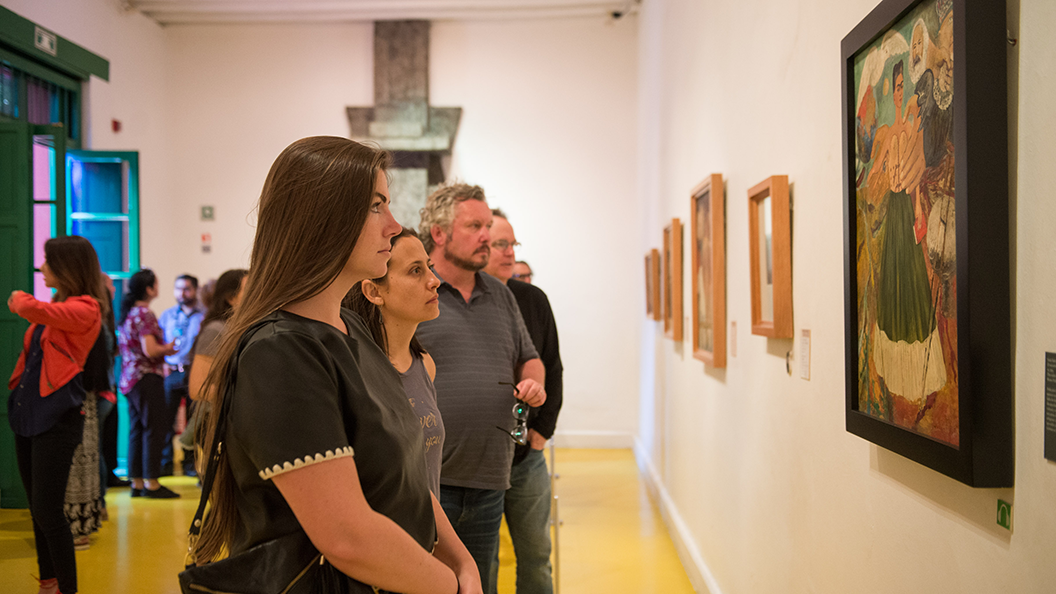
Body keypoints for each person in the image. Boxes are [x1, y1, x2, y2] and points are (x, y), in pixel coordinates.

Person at [190, 136, 481, 594]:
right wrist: (449, 585)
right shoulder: (280, 352)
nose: (394, 225)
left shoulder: (352, 329)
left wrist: (462, 562)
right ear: (321, 219)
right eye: (376, 206)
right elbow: (347, 537)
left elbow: (404, 478)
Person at [416, 183, 546, 594]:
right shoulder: (417, 290)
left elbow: (531, 356)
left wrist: (534, 383)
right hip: (430, 481)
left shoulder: (501, 295)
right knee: (433, 585)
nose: (487, 235)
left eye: (487, 225)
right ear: (439, 233)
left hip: (491, 474)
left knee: (481, 584)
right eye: (475, 225)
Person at [8, 235, 105, 594]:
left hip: (58, 419)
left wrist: (19, 299)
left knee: (49, 512)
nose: (42, 267)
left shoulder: (86, 308)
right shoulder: (60, 309)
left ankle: (66, 589)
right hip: (28, 415)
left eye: (48, 262)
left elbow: (35, 310)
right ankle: (47, 583)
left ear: (66, 267)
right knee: (38, 509)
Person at [482, 210, 563, 594]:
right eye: (501, 243)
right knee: (484, 561)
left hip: (524, 454)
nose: (509, 252)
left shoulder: (532, 300)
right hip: (475, 460)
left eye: (513, 243)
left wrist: (540, 433)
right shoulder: (452, 302)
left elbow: (552, 366)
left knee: (535, 556)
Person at [344, 228, 445, 496]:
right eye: (415, 271)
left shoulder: (425, 364)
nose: (434, 281)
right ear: (374, 292)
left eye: (429, 267)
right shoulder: (357, 371)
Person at [118, 269, 180, 498]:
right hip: (146, 377)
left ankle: (137, 482)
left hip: (129, 379)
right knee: (155, 429)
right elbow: (150, 349)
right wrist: (170, 348)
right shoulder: (145, 314)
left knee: (137, 429)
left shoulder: (129, 313)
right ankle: (152, 483)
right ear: (149, 288)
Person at [182, 268, 248, 462]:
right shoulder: (216, 330)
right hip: (219, 423)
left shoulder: (237, 329)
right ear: (231, 298)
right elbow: (197, 388)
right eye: (250, 288)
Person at [158, 274, 205, 476]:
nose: (182, 293)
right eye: (178, 288)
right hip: (172, 373)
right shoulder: (167, 315)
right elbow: (158, 343)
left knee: (193, 421)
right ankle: (166, 462)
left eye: (186, 288)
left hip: (194, 372)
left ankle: (189, 464)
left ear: (195, 290)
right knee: (165, 419)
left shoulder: (204, 315)